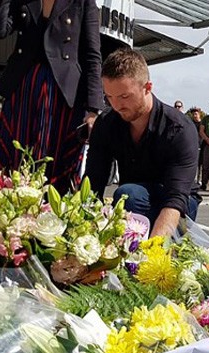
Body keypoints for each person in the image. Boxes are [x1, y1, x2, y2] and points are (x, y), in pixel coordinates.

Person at [0, 0, 102, 193]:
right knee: (11, 161)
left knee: (55, 167)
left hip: (63, 96)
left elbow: (92, 55)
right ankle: (8, 216)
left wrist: (93, 109)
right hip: (24, 89)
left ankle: (50, 218)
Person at [85, 48, 200, 238]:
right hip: (134, 199)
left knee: (128, 195)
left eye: (124, 96)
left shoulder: (179, 129)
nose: (116, 105)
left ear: (147, 87)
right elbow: (92, 183)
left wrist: (152, 254)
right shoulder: (106, 122)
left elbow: (175, 199)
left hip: (177, 200)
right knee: (128, 196)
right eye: (109, 97)